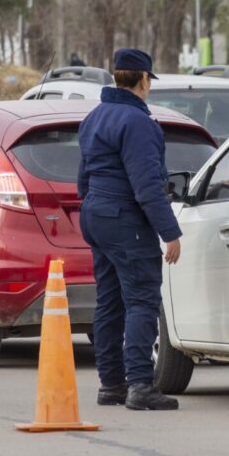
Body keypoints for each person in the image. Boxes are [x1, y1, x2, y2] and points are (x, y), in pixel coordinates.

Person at [78, 48, 183, 411]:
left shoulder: (94, 117)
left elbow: (83, 178)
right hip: (125, 218)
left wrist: (96, 210)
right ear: (143, 80)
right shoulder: (138, 123)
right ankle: (140, 384)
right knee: (141, 299)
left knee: (109, 301)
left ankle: (111, 385)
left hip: (96, 214)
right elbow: (148, 186)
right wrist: (170, 232)